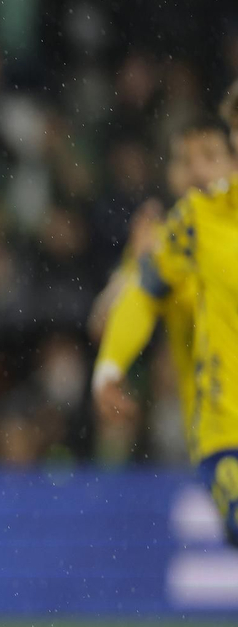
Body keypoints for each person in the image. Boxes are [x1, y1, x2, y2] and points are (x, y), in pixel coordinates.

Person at [98, 85, 238, 546]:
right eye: (184, 160)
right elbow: (131, 300)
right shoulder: (189, 225)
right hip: (220, 425)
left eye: (210, 155)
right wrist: (110, 367)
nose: (196, 171)